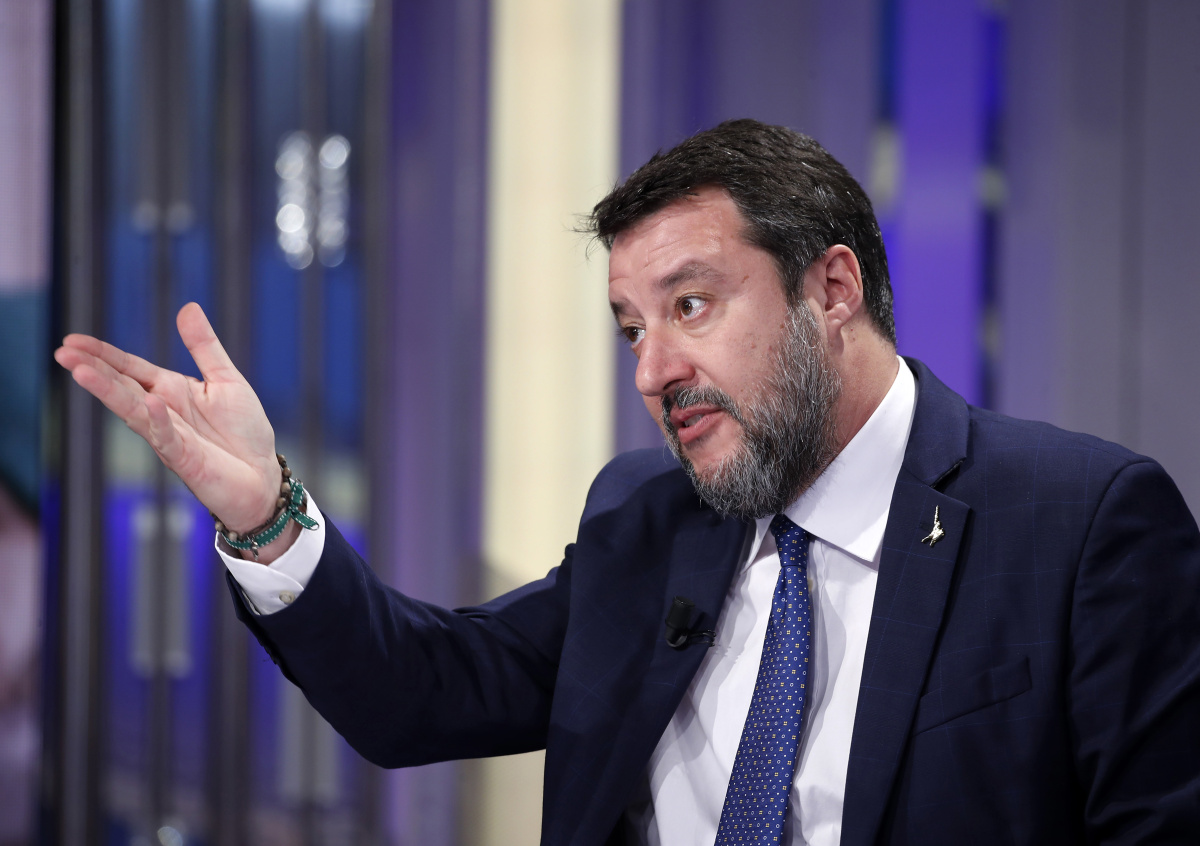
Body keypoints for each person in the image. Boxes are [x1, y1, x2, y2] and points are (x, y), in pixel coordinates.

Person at [55, 119, 1200, 845]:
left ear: (832, 289)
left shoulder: (1081, 526)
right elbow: (419, 694)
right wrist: (268, 514)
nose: (653, 371)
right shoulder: (646, 522)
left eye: (690, 305)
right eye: (632, 329)